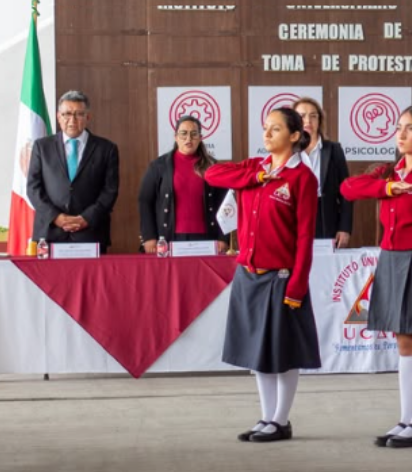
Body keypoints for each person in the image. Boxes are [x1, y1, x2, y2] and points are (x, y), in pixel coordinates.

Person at [340, 106, 412, 449]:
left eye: (410, 128)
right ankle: (406, 419)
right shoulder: (389, 172)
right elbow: (348, 188)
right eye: (399, 128)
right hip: (390, 260)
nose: (401, 135)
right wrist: (388, 188)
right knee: (403, 343)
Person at [204, 107, 321, 443]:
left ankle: (281, 419)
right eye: (265, 128)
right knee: (258, 352)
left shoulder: (302, 178)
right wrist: (254, 179)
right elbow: (213, 175)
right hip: (249, 273)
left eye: (276, 129)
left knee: (282, 352)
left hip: (281, 277)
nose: (267, 134)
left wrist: (297, 285)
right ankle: (266, 416)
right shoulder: (255, 168)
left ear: (295, 136)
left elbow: (304, 237)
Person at [27, 90, 119, 253]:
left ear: (88, 117)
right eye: (67, 114)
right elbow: (33, 188)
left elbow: (109, 191)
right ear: (58, 116)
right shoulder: (42, 147)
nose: (72, 120)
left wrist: (86, 219)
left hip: (91, 232)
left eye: (78, 114)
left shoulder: (106, 149)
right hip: (50, 233)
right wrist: (56, 217)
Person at [138, 116, 229, 253]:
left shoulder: (213, 167)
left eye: (194, 134)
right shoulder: (158, 166)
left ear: (200, 137)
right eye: (183, 134)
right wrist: (149, 236)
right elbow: (145, 201)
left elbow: (225, 204)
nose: (188, 139)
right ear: (175, 137)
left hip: (207, 240)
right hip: (169, 239)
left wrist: (223, 237)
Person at [293, 97, 353, 247]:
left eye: (313, 116)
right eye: (302, 116)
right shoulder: (287, 151)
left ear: (319, 120)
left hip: (326, 217)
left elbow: (347, 193)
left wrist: (344, 228)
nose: (308, 121)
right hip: (294, 217)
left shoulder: (333, 150)